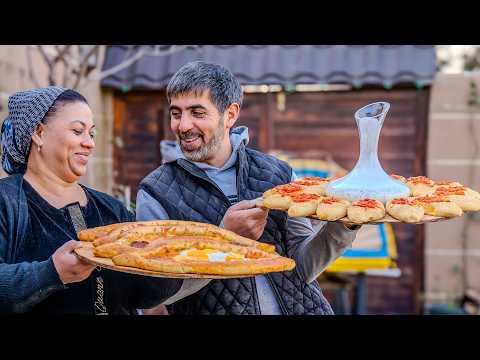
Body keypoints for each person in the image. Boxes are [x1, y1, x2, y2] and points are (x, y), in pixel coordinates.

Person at [136, 61, 361, 315]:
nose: (183, 125)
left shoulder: (279, 174)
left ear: (230, 114)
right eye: (176, 113)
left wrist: (344, 225)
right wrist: (224, 239)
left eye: (197, 113)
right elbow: (155, 292)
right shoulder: (156, 192)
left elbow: (301, 269)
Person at [0, 86, 183, 314]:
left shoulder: (111, 209)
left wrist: (170, 264)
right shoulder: (6, 202)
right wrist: (51, 272)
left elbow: (142, 295)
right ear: (39, 132)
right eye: (78, 131)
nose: (90, 143)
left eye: (92, 133)